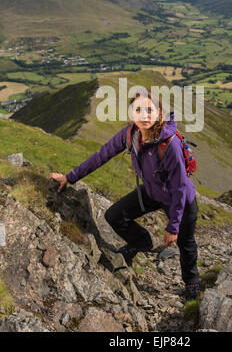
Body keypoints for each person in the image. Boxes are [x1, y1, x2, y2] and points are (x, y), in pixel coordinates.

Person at [48, 88, 200, 299]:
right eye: (138, 110)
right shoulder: (130, 134)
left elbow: (180, 188)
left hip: (180, 199)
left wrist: (172, 226)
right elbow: (101, 156)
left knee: (185, 243)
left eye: (150, 110)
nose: (144, 116)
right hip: (152, 192)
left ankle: (192, 284)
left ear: (159, 113)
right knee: (114, 216)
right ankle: (142, 243)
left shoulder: (170, 143)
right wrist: (69, 177)